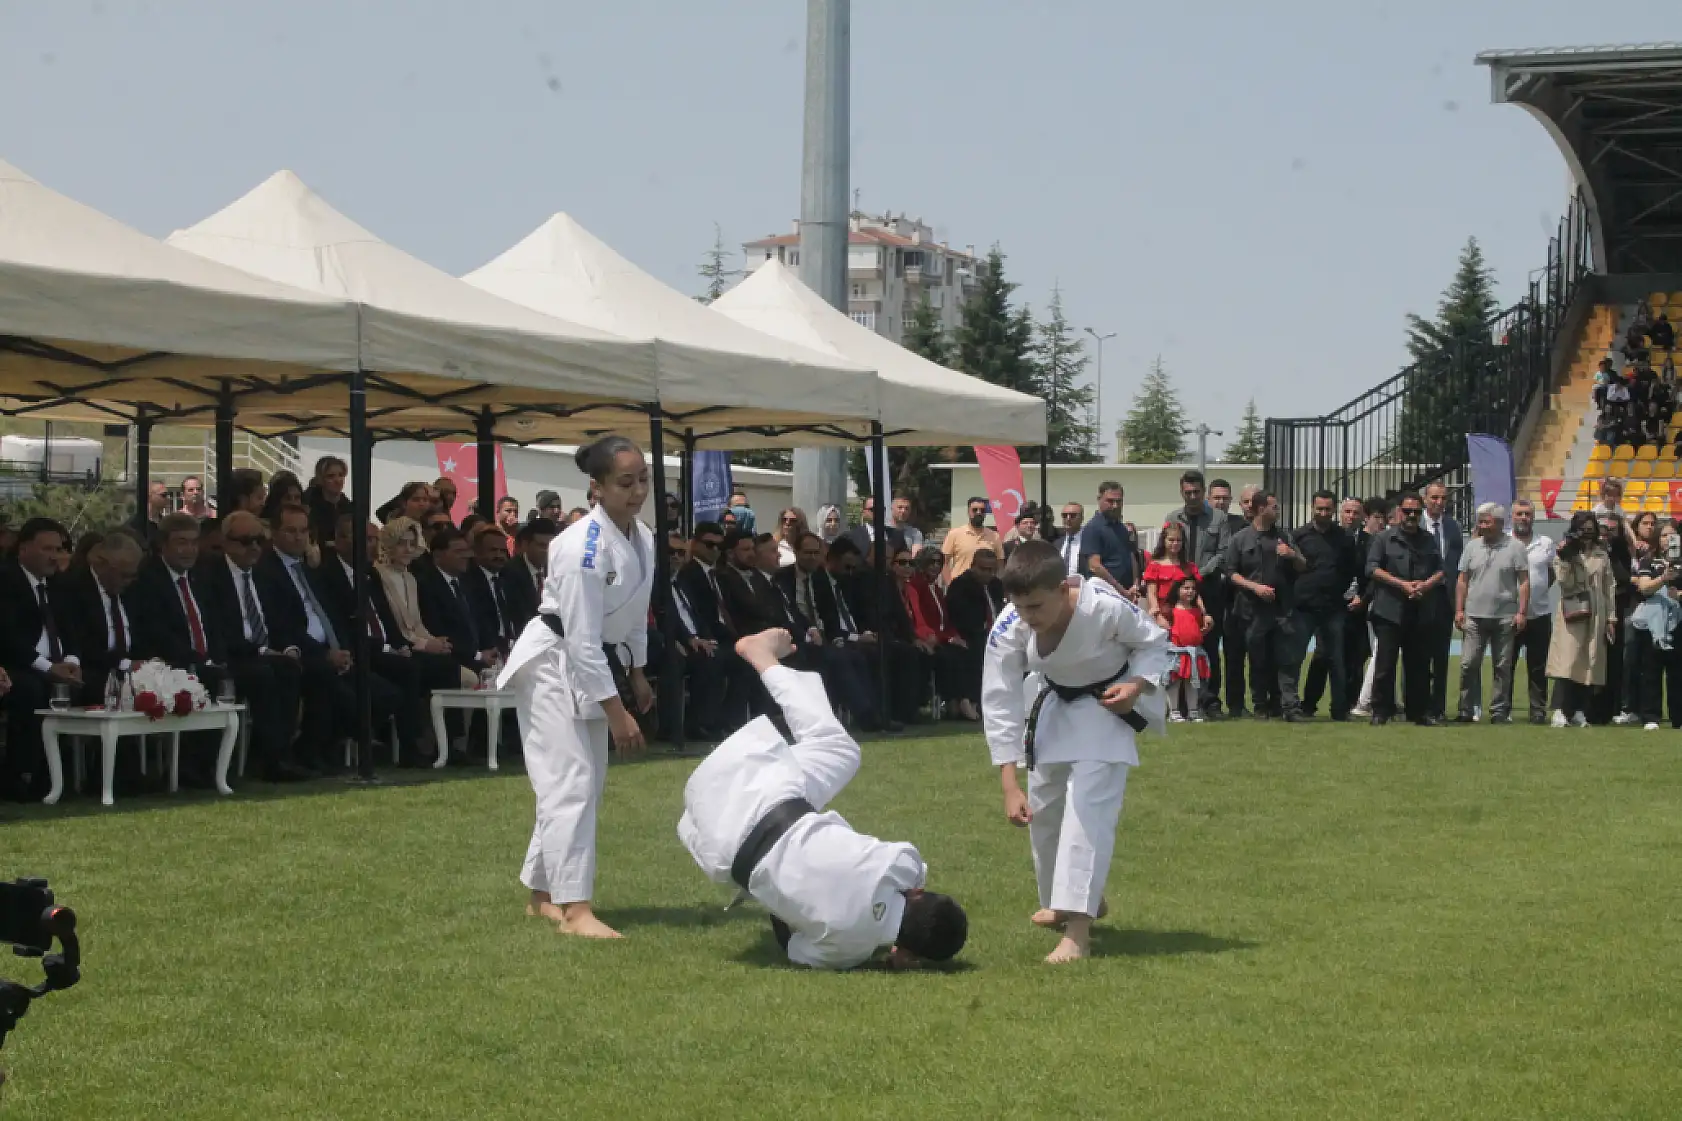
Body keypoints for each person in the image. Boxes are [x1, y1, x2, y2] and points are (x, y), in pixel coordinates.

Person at [678, 628, 966, 970]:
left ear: (918, 895)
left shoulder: (901, 867)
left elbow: (913, 873)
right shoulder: (846, 952)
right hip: (712, 840)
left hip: (757, 787)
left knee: (841, 750)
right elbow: (792, 946)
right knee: (800, 839)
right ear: (907, 953)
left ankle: (763, 658)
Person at [982, 540, 1172, 964]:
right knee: (1044, 808)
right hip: (1054, 704)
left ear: (1062, 586)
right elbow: (999, 699)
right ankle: (1071, 899)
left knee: (1087, 810)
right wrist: (1008, 782)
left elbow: (1155, 642)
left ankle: (1078, 933)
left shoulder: (1103, 606)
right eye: (1020, 606)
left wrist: (1137, 686)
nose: (1028, 617)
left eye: (1037, 606)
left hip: (1109, 706)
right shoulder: (1010, 625)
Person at [499, 435, 655, 940]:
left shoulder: (642, 537)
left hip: (586, 660)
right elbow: (583, 639)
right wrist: (617, 713)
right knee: (569, 782)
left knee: (584, 783)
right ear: (598, 486)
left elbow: (633, 617)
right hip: (551, 661)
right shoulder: (580, 546)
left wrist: (637, 670)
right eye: (625, 483)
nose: (636, 493)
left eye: (642, 482)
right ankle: (574, 910)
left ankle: (542, 896)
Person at [196, 510, 313, 781]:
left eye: (259, 540)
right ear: (226, 542)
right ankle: (269, 759)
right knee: (264, 674)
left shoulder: (265, 575)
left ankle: (281, 755)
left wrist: (289, 648)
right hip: (234, 654)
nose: (254, 547)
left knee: (290, 668)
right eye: (246, 541)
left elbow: (281, 622)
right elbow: (219, 629)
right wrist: (261, 651)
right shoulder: (211, 576)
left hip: (266, 653)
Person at [0, 519, 79, 801]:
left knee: (91, 684)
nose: (54, 556)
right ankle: (21, 776)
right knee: (32, 689)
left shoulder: (59, 584)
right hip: (17, 666)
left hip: (54, 665)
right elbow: (8, 637)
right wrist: (48, 668)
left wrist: (71, 661)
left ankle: (73, 775)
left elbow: (72, 628)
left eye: (58, 549)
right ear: (23, 549)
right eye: (47, 548)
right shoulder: (7, 580)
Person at [1364, 492, 1444, 727]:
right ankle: (1380, 711)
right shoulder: (1384, 539)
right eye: (1407, 511)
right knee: (1385, 665)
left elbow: (1441, 570)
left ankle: (1418, 713)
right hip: (1389, 610)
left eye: (1416, 512)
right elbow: (1372, 568)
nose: (1411, 516)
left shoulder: (1428, 540)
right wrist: (1402, 585)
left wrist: (1425, 585)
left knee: (1418, 666)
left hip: (1420, 610)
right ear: (1398, 512)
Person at [1225, 491, 1305, 720]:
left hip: (1282, 610)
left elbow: (1303, 565)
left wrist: (1291, 555)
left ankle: (1288, 707)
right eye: (1274, 507)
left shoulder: (1284, 537)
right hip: (1253, 610)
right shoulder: (1240, 539)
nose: (1277, 511)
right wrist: (1255, 587)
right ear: (1261, 509)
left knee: (1286, 659)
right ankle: (1261, 705)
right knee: (1258, 660)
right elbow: (1230, 572)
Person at [1162, 470, 1232, 717]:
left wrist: (1198, 575)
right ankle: (1181, 704)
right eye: (1187, 492)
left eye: (1196, 492)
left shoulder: (1219, 518)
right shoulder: (1173, 517)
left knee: (1209, 648)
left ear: (1203, 492)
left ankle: (1210, 702)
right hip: (1178, 595)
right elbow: (1165, 549)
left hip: (1209, 590)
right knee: (1178, 649)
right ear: (1181, 491)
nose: (1192, 496)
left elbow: (1224, 553)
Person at [1454, 503, 1530, 724]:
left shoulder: (1515, 547)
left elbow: (1524, 582)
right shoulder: (1472, 546)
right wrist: (1459, 609)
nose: (1482, 525)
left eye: (1486, 521)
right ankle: (1466, 709)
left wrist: (1522, 612)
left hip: (1505, 616)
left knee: (1502, 666)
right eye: (1481, 521)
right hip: (1474, 616)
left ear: (1499, 523)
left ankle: (1498, 711)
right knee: (1468, 664)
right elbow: (1462, 580)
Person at [376, 517, 475, 689]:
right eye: (401, 543)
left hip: (417, 645)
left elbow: (417, 624)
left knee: (462, 671)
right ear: (389, 543)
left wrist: (435, 642)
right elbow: (395, 627)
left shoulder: (410, 578)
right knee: (457, 673)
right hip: (398, 648)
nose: (407, 549)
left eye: (412, 544)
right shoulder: (379, 575)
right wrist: (426, 644)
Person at [1290, 490, 1359, 721]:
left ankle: (1339, 709)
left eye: (1328, 509)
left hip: (1333, 607)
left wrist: (1340, 590)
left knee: (1336, 660)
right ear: (1312, 508)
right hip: (1303, 607)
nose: (1323, 513)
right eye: (1319, 509)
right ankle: (1293, 706)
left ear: (1334, 510)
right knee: (1295, 658)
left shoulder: (1344, 538)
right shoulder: (1299, 536)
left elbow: (1351, 569)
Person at [1548, 511, 1617, 728]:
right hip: (1573, 609)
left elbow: (1609, 587)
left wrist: (1611, 618)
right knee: (1568, 660)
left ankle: (1579, 710)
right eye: (1583, 529)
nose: (1587, 534)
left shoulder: (1601, 554)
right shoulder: (1566, 552)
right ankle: (1559, 710)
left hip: (1597, 611)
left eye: (1590, 529)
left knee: (1590, 659)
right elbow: (1563, 582)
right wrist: (1567, 559)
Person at [1621, 522, 1680, 731]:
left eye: (1672, 536)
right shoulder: (1650, 561)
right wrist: (1664, 579)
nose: (1668, 540)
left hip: (1678, 622)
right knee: (1651, 670)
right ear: (1657, 538)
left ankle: (1678, 717)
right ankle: (1651, 716)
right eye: (1664, 536)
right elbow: (1645, 588)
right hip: (1652, 624)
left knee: (1677, 672)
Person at [1420, 482, 1464, 724]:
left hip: (1445, 600)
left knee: (1441, 658)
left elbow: (1457, 567)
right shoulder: (1415, 524)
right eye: (1434, 498)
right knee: (1417, 656)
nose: (1439, 502)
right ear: (1425, 499)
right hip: (1418, 598)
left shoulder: (1453, 527)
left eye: (1443, 498)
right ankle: (1416, 705)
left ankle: (1438, 707)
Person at [1510, 499, 1556, 724]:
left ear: (1533, 517)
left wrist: (1536, 592)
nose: (1523, 518)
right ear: (1512, 517)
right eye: (1519, 514)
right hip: (1510, 614)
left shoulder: (1545, 542)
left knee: (1538, 666)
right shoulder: (1504, 541)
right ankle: (1503, 709)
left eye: (1527, 514)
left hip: (1540, 613)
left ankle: (1538, 711)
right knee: (1506, 664)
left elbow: (1551, 574)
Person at [466, 525, 519, 660]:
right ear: (476, 552)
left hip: (511, 647)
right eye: (493, 550)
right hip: (486, 651)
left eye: (502, 551)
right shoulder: (468, 581)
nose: (499, 556)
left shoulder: (507, 579)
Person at [1164, 577, 1211, 722]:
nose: (1190, 591)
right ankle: (1174, 711)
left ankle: (1193, 711)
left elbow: (1200, 630)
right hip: (1176, 652)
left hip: (1193, 653)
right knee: (1174, 682)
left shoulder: (1197, 612)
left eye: (1193, 589)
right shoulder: (1170, 610)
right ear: (1177, 590)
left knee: (1193, 682)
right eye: (1186, 588)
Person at [1079, 482, 1138, 598]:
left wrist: (1135, 585)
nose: (1115, 506)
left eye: (1119, 501)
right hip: (1104, 594)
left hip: (1126, 594)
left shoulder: (1121, 528)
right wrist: (1121, 590)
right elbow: (1094, 566)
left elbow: (1131, 557)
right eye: (1110, 501)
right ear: (1099, 499)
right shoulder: (1093, 528)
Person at [1142, 522, 1202, 626]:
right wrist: (1158, 616)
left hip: (1186, 618)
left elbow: (1197, 595)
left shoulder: (1190, 567)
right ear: (1163, 541)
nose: (1175, 543)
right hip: (1163, 619)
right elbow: (1151, 594)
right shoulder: (1154, 566)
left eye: (1179, 540)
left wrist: (1204, 614)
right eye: (1171, 540)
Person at [503, 518, 556, 632]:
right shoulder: (510, 572)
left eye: (551, 545)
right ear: (526, 544)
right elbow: (519, 616)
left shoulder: (556, 570)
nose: (547, 551)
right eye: (542, 545)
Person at [941, 496, 1002, 583]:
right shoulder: (954, 534)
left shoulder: (995, 536)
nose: (978, 513)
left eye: (982, 510)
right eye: (975, 510)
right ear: (968, 512)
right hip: (961, 586)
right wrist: (950, 584)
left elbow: (1000, 565)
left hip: (985, 587)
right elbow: (944, 562)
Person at [304, 456, 351, 553]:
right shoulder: (309, 502)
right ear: (320, 479)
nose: (338, 480)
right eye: (331, 476)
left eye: (341, 475)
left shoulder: (347, 505)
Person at [1053, 503, 1086, 576]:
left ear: (1081, 518)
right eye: (1064, 515)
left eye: (1073, 515)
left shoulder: (1088, 541)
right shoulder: (1057, 543)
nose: (1068, 518)